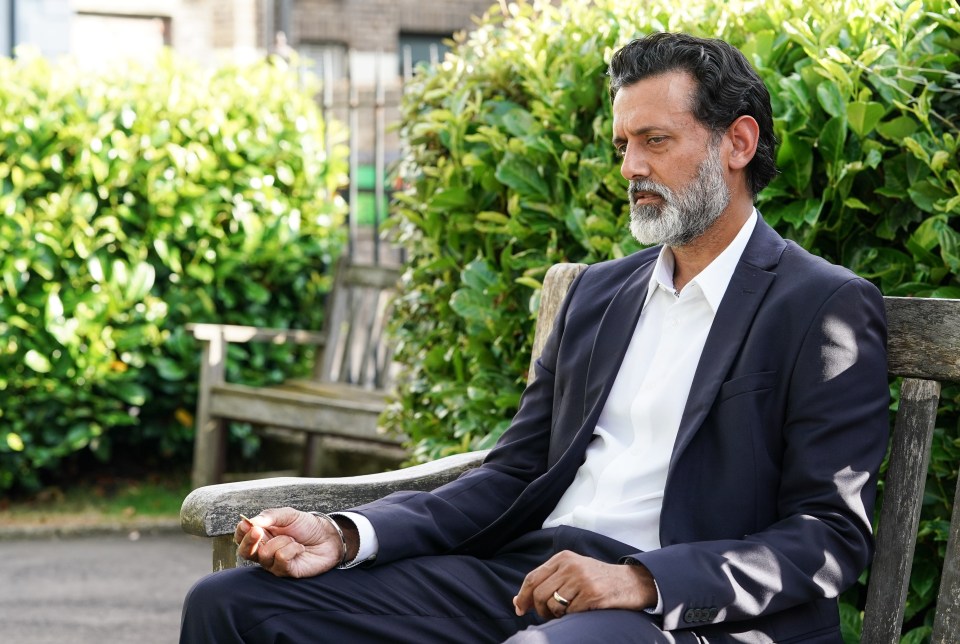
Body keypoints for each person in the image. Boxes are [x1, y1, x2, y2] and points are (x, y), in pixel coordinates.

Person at [180, 32, 889, 643]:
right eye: (622, 145)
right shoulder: (600, 295)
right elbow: (512, 472)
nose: (631, 168)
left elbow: (828, 534)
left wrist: (640, 579)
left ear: (738, 142)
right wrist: (346, 534)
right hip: (528, 576)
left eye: (655, 141)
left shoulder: (820, 305)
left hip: (682, 616)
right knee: (233, 606)